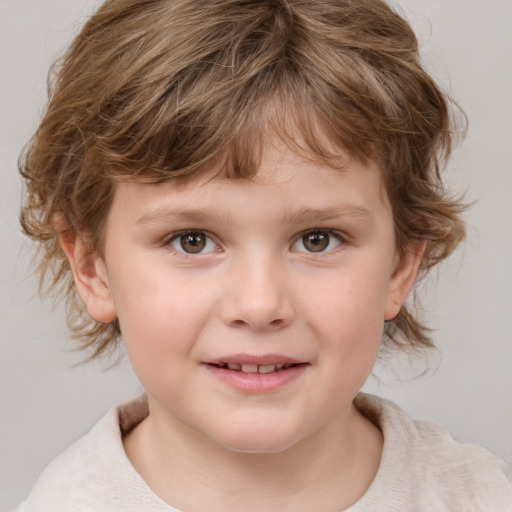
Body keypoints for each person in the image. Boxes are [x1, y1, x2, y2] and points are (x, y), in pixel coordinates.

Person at [13, 0, 512, 510]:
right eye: (192, 240)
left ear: (401, 266)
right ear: (92, 267)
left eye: (318, 239)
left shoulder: (479, 497)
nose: (258, 305)